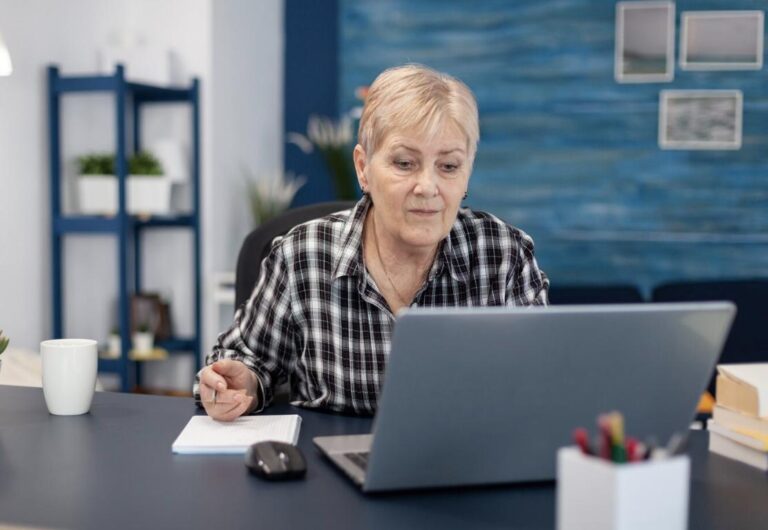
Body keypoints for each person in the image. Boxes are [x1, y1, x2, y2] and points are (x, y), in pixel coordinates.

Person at [195, 64, 549, 419]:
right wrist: (241, 385)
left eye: (449, 167)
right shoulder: (302, 254)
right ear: (363, 168)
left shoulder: (505, 255)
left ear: (467, 171)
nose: (427, 187)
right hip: (328, 465)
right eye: (405, 162)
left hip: (465, 465)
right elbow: (244, 360)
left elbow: (544, 381)